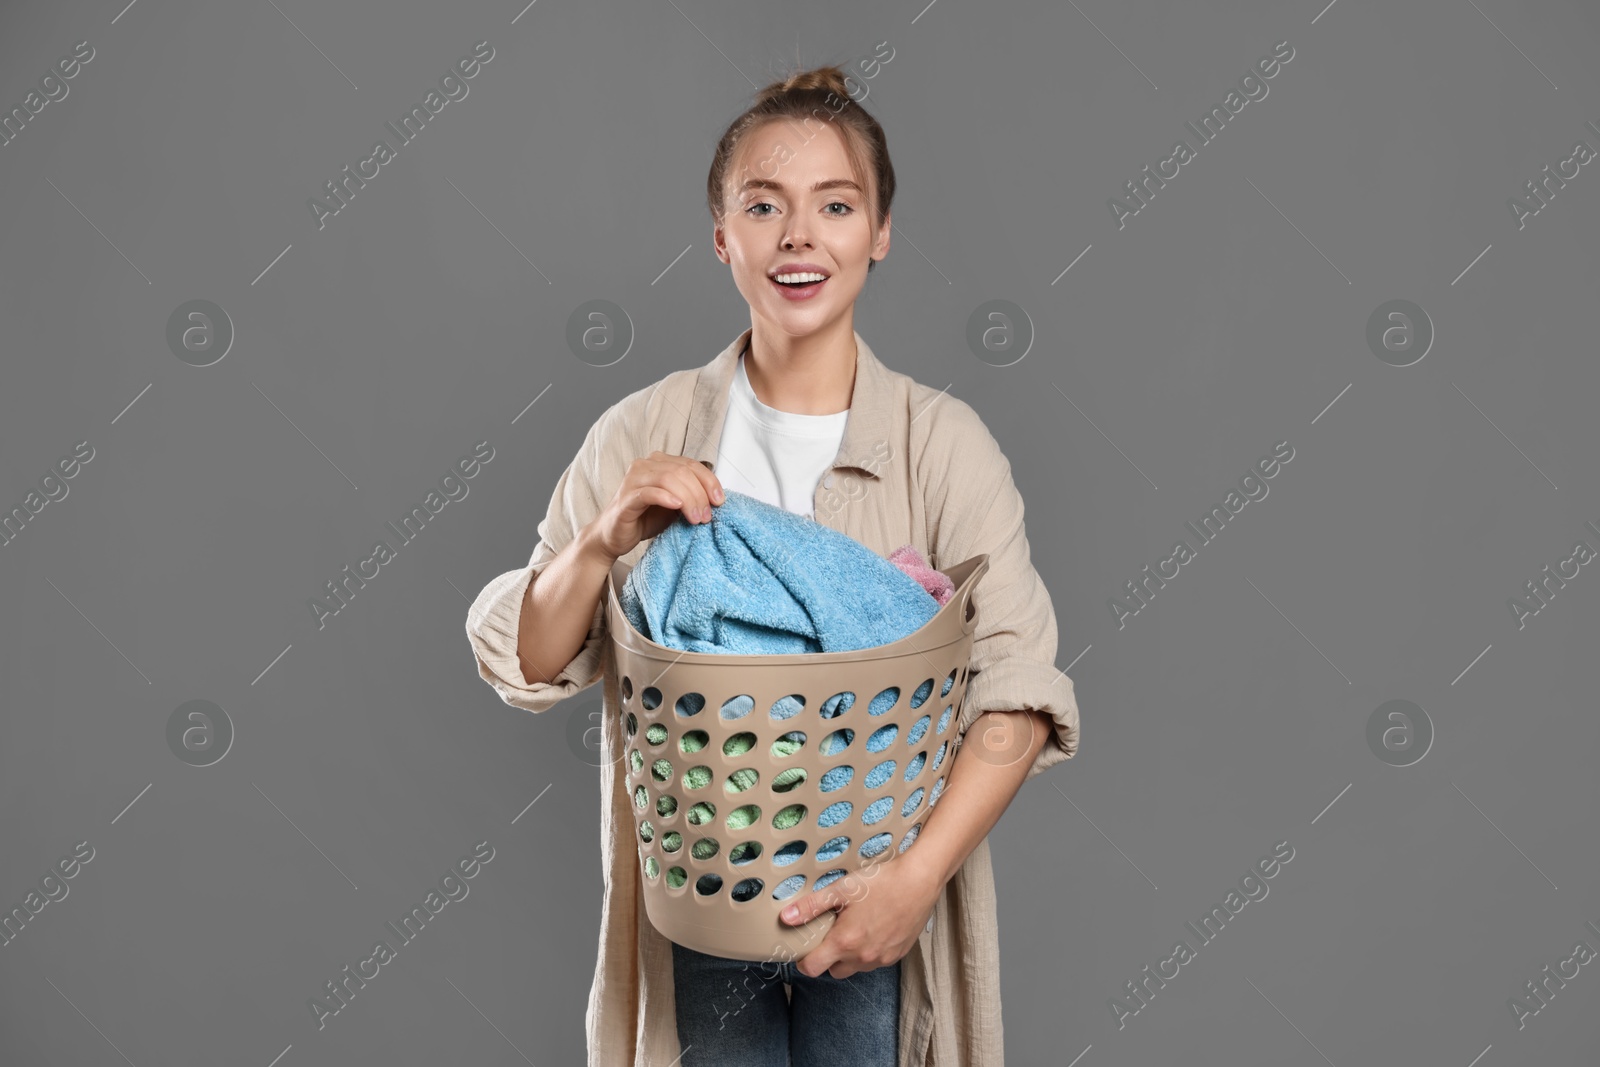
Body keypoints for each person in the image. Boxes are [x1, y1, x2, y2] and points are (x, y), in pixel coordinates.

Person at [464, 63, 1081, 1067]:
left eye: (835, 205)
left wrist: (913, 882)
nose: (799, 236)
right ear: (722, 237)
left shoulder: (942, 443)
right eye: (764, 206)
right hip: (707, 895)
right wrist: (600, 537)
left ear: (878, 232)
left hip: (877, 898)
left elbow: (1013, 692)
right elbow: (531, 660)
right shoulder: (645, 431)